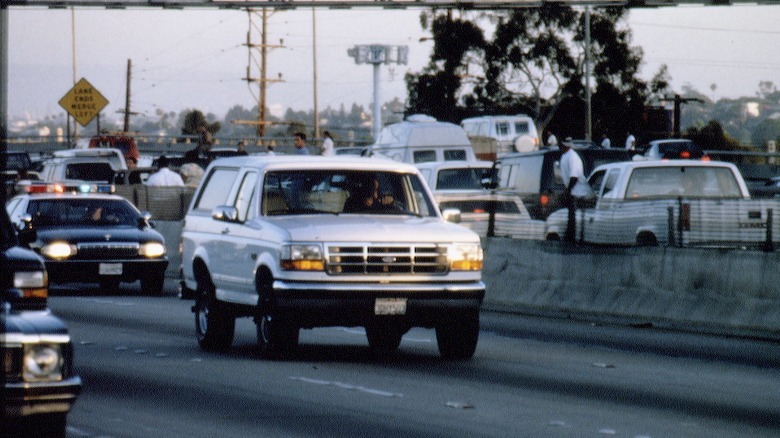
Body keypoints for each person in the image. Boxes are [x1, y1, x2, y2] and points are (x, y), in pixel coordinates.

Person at [559, 139, 594, 242]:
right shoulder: (565, 156)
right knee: (571, 215)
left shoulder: (573, 157)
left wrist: (568, 191)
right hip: (573, 191)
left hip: (579, 192)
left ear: (565, 145)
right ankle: (570, 237)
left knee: (575, 216)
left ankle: (574, 238)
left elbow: (574, 177)